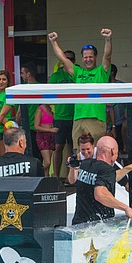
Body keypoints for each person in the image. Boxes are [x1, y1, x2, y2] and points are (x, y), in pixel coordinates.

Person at [48, 29, 113, 143]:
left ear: (96, 57)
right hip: (78, 118)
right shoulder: (78, 72)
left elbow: (107, 56)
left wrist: (108, 39)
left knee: (94, 150)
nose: (88, 59)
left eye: (90, 57)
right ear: (82, 59)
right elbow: (63, 59)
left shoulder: (101, 72)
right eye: (85, 57)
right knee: (78, 151)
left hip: (95, 118)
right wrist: (53, 42)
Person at [70, 136, 132, 225]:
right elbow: (100, 195)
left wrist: (131, 167)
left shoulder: (85, 164)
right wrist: (126, 208)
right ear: (113, 151)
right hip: (98, 226)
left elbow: (108, 179)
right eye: (117, 153)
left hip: (78, 224)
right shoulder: (107, 170)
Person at [49, 51, 76, 182]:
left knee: (71, 147)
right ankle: (56, 176)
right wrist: (50, 113)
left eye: (71, 59)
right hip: (60, 116)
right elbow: (47, 95)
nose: (68, 60)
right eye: (66, 58)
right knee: (58, 147)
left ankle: (69, 177)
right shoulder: (56, 76)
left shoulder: (76, 73)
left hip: (74, 116)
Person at [33, 103, 57, 175]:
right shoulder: (40, 109)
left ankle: (46, 177)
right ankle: (36, 173)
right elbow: (36, 127)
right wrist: (50, 130)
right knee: (47, 162)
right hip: (42, 136)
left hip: (50, 136)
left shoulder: (50, 109)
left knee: (49, 163)